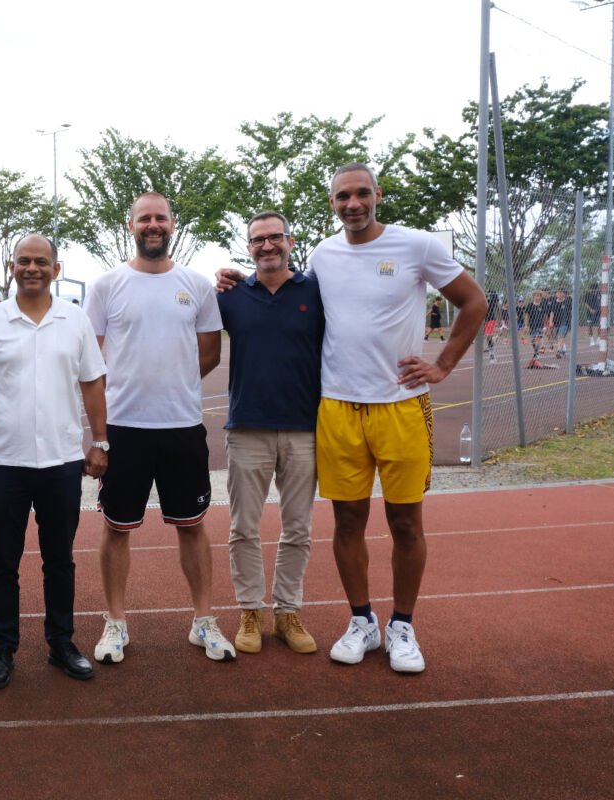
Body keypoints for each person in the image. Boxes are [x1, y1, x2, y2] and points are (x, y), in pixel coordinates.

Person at [308, 163, 484, 673]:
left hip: (401, 406)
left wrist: (442, 364)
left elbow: (473, 301)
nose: (353, 203)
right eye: (343, 196)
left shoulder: (417, 246)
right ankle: (361, 621)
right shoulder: (322, 254)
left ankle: (402, 625)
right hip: (337, 407)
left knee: (405, 521)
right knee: (347, 520)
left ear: (378, 195)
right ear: (332, 202)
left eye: (362, 193)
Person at [0, 233, 108, 689]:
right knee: (3, 560)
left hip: (62, 461)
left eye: (42, 261)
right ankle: (2, 648)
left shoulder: (75, 320)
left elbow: (93, 383)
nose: (32, 268)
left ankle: (62, 643)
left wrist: (101, 442)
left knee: (60, 560)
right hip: (5, 462)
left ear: (56, 270)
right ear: (11, 267)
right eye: (24, 260)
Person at [85, 191, 232, 665]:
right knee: (117, 527)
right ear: (130, 226)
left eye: (161, 218)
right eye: (144, 218)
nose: (153, 225)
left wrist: (175, 381)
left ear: (172, 225)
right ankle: (115, 622)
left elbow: (208, 353)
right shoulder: (107, 285)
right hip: (124, 429)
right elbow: (90, 362)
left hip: (181, 427)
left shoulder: (196, 285)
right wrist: (100, 433)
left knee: (192, 526)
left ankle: (203, 620)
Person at [217, 211, 323, 657]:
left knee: (298, 528)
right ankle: (250, 611)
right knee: (243, 528)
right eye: (258, 240)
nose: (267, 245)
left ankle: (287, 612)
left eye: (274, 237)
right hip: (247, 428)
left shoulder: (316, 291)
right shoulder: (230, 296)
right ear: (249, 248)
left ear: (290, 241)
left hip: (304, 429)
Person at [525, 290, 549, 356]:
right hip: (532, 325)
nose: (537, 297)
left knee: (538, 337)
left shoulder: (543, 305)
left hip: (540, 324)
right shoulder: (530, 305)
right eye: (535, 296)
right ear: (533, 297)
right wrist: (526, 325)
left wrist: (546, 325)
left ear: (541, 297)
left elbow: (545, 315)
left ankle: (537, 352)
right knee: (532, 340)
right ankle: (536, 350)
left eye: (538, 296)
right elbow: (527, 316)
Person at [550, 288, 572, 358]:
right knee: (558, 338)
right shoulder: (554, 302)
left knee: (561, 336)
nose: (559, 294)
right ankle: (563, 349)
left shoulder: (568, 301)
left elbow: (572, 310)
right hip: (557, 322)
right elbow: (552, 313)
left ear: (564, 294)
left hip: (565, 322)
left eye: (561, 292)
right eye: (558, 292)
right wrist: (551, 322)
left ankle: (559, 351)